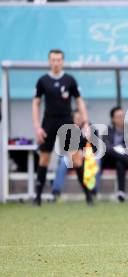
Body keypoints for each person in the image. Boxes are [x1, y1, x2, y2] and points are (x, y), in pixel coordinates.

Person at [32, 49, 93, 206]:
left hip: (67, 121)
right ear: (49, 61)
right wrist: (38, 127)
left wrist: (85, 121)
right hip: (49, 122)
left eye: (59, 60)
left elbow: (79, 101)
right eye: (53, 60)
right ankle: (37, 197)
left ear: (62, 61)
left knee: (76, 158)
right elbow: (36, 103)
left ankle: (88, 195)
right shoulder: (43, 81)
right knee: (44, 158)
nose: (56, 62)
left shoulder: (70, 80)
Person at [51, 110, 99, 201]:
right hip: (70, 156)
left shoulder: (91, 129)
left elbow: (95, 149)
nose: (79, 120)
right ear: (72, 119)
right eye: (77, 118)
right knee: (63, 161)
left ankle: (93, 190)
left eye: (81, 118)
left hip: (87, 156)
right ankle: (56, 191)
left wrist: (87, 141)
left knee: (97, 161)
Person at [101, 106, 128, 202]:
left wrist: (121, 150)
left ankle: (121, 193)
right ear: (113, 119)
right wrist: (117, 150)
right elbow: (106, 147)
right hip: (109, 159)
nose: (122, 118)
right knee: (110, 151)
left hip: (123, 159)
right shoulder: (107, 130)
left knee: (120, 163)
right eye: (119, 116)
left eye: (123, 116)